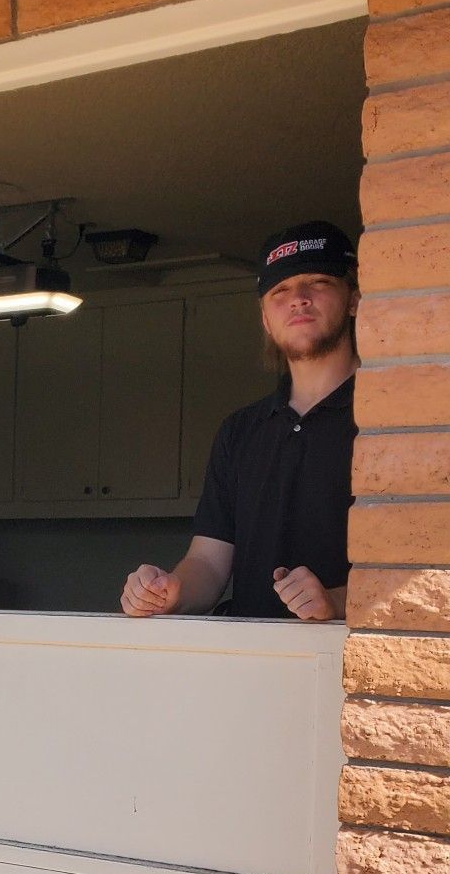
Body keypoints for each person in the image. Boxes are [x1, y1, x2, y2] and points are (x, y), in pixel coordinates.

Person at [121, 221, 358, 622]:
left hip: (358, 656)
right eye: (280, 290)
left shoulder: (392, 422)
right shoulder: (241, 431)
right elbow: (209, 563)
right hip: (248, 653)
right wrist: (167, 592)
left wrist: (335, 602)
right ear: (265, 318)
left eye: (318, 282)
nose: (298, 299)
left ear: (354, 299)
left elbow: (425, 572)